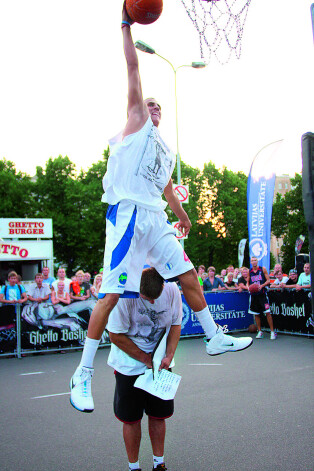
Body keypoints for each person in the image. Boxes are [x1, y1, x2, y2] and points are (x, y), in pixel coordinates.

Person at [69, 2, 252, 413]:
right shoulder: (134, 125)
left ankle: (212, 335)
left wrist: (182, 214)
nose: (154, 107)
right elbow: (133, 69)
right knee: (111, 295)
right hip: (128, 214)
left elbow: (167, 186)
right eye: (149, 103)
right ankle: (81, 375)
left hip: (155, 217)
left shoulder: (164, 150)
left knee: (188, 276)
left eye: (158, 106)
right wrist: (124, 25)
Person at [107, 268, 181, 471]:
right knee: (131, 419)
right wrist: (144, 359)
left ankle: (159, 463)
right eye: (146, 298)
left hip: (159, 364)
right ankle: (134, 467)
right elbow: (115, 335)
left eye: (154, 298)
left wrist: (169, 355)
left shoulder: (172, 288)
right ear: (137, 288)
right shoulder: (123, 295)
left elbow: (175, 324)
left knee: (158, 416)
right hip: (128, 365)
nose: (150, 302)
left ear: (164, 285)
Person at [248, 257, 276, 340]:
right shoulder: (250, 271)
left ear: (257, 261)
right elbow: (248, 282)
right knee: (256, 314)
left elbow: (268, 280)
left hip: (262, 294)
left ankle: (272, 331)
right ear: (251, 262)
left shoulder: (262, 269)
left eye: (255, 260)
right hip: (254, 295)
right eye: (252, 261)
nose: (254, 262)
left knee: (267, 312)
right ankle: (260, 331)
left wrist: (262, 286)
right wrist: (248, 287)